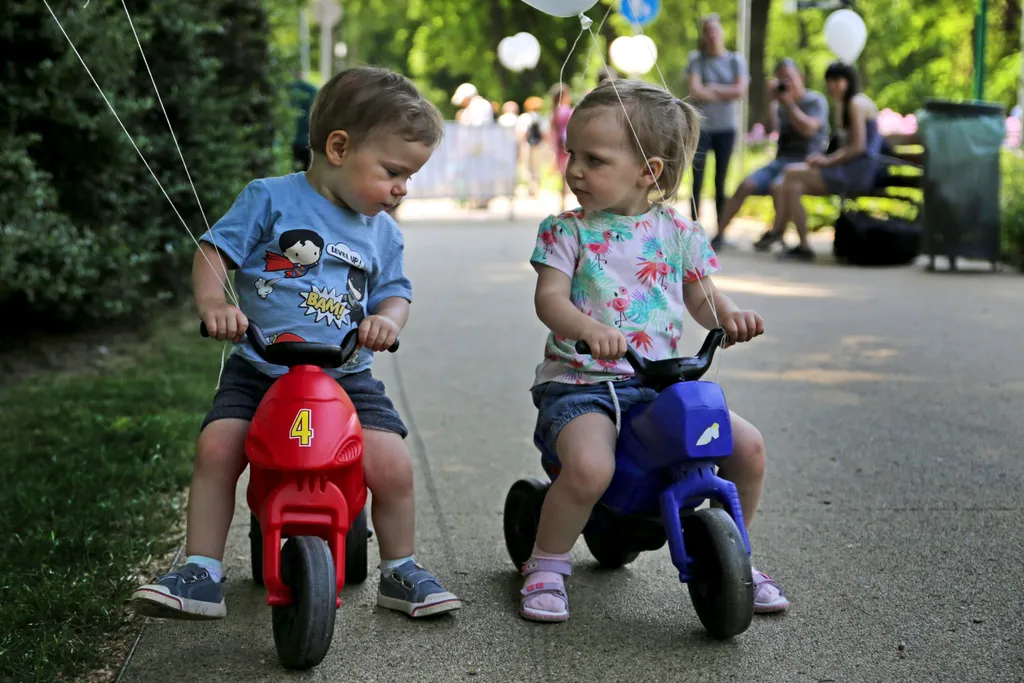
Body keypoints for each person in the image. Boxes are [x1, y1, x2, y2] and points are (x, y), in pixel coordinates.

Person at [129, 66, 462, 621]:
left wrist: (387, 321)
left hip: (346, 373)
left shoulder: (382, 232)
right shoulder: (270, 198)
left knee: (393, 464)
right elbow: (215, 253)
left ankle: (400, 568)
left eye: (410, 176)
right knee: (217, 449)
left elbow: (395, 293)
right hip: (260, 367)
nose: (403, 188)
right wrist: (216, 306)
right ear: (338, 147)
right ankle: (201, 570)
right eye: (393, 172)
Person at [520, 79, 790, 623]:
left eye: (593, 159)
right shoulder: (566, 232)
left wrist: (728, 316)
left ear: (650, 172)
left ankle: (735, 554)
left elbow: (702, 295)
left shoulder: (679, 233)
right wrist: (587, 327)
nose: (574, 169)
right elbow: (549, 300)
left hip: (657, 382)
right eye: (572, 154)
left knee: (749, 449)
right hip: (583, 384)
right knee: (591, 468)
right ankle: (546, 563)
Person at [767, 62, 883, 260]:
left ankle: (777, 231)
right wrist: (823, 159)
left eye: (838, 81)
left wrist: (827, 162)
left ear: (849, 81)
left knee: (790, 173)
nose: (833, 86)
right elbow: (843, 146)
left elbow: (858, 147)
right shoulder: (843, 105)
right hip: (848, 168)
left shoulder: (856, 103)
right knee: (792, 185)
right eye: (830, 82)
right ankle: (802, 245)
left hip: (859, 171)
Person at [713, 58, 829, 250]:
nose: (786, 83)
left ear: (800, 77)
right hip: (780, 162)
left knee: (779, 186)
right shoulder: (780, 104)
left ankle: (777, 233)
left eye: (789, 78)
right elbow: (768, 130)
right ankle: (719, 235)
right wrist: (772, 102)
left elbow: (809, 129)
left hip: (805, 162)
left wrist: (790, 105)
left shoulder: (815, 100)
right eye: (781, 80)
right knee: (745, 185)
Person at [686, 14, 749, 235]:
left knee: (720, 181)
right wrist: (725, 91)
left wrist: (711, 88)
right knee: (698, 179)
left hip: (726, 128)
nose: (712, 35)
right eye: (708, 31)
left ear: (721, 32)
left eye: (715, 30)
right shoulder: (696, 59)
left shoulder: (735, 60)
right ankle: (694, 227)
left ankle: (720, 231)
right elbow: (695, 90)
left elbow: (740, 91)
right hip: (702, 128)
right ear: (704, 36)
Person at [549, 83, 574, 212]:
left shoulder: (554, 112)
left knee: (563, 177)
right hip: (567, 146)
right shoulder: (567, 111)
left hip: (559, 148)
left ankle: (562, 202)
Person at [517, 96, 548, 197]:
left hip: (528, 145)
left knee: (528, 167)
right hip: (539, 145)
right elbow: (545, 133)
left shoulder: (525, 117)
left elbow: (522, 133)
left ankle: (530, 189)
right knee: (537, 168)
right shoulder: (542, 118)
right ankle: (536, 189)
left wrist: (520, 146)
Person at [287, 71, 318, 171]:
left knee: (295, 169)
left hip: (294, 139)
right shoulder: (313, 90)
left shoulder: (289, 89)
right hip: (308, 139)